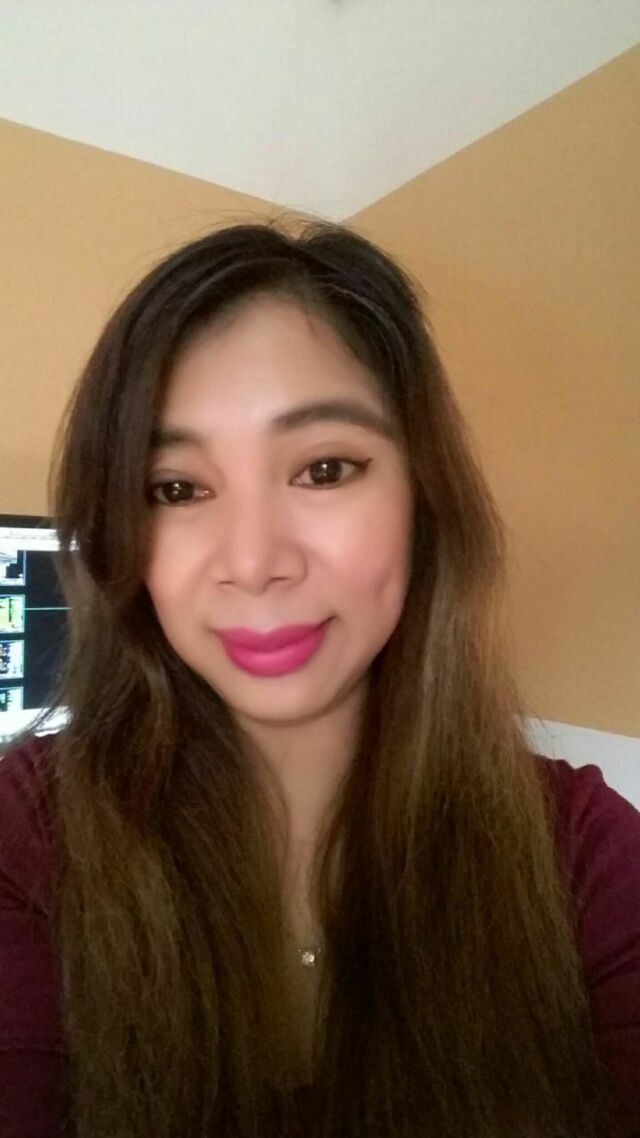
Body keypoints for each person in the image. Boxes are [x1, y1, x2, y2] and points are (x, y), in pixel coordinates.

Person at [0, 220, 638, 1138]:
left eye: (324, 469)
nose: (254, 563)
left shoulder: (584, 857)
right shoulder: (26, 839)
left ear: (423, 500)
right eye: (175, 488)